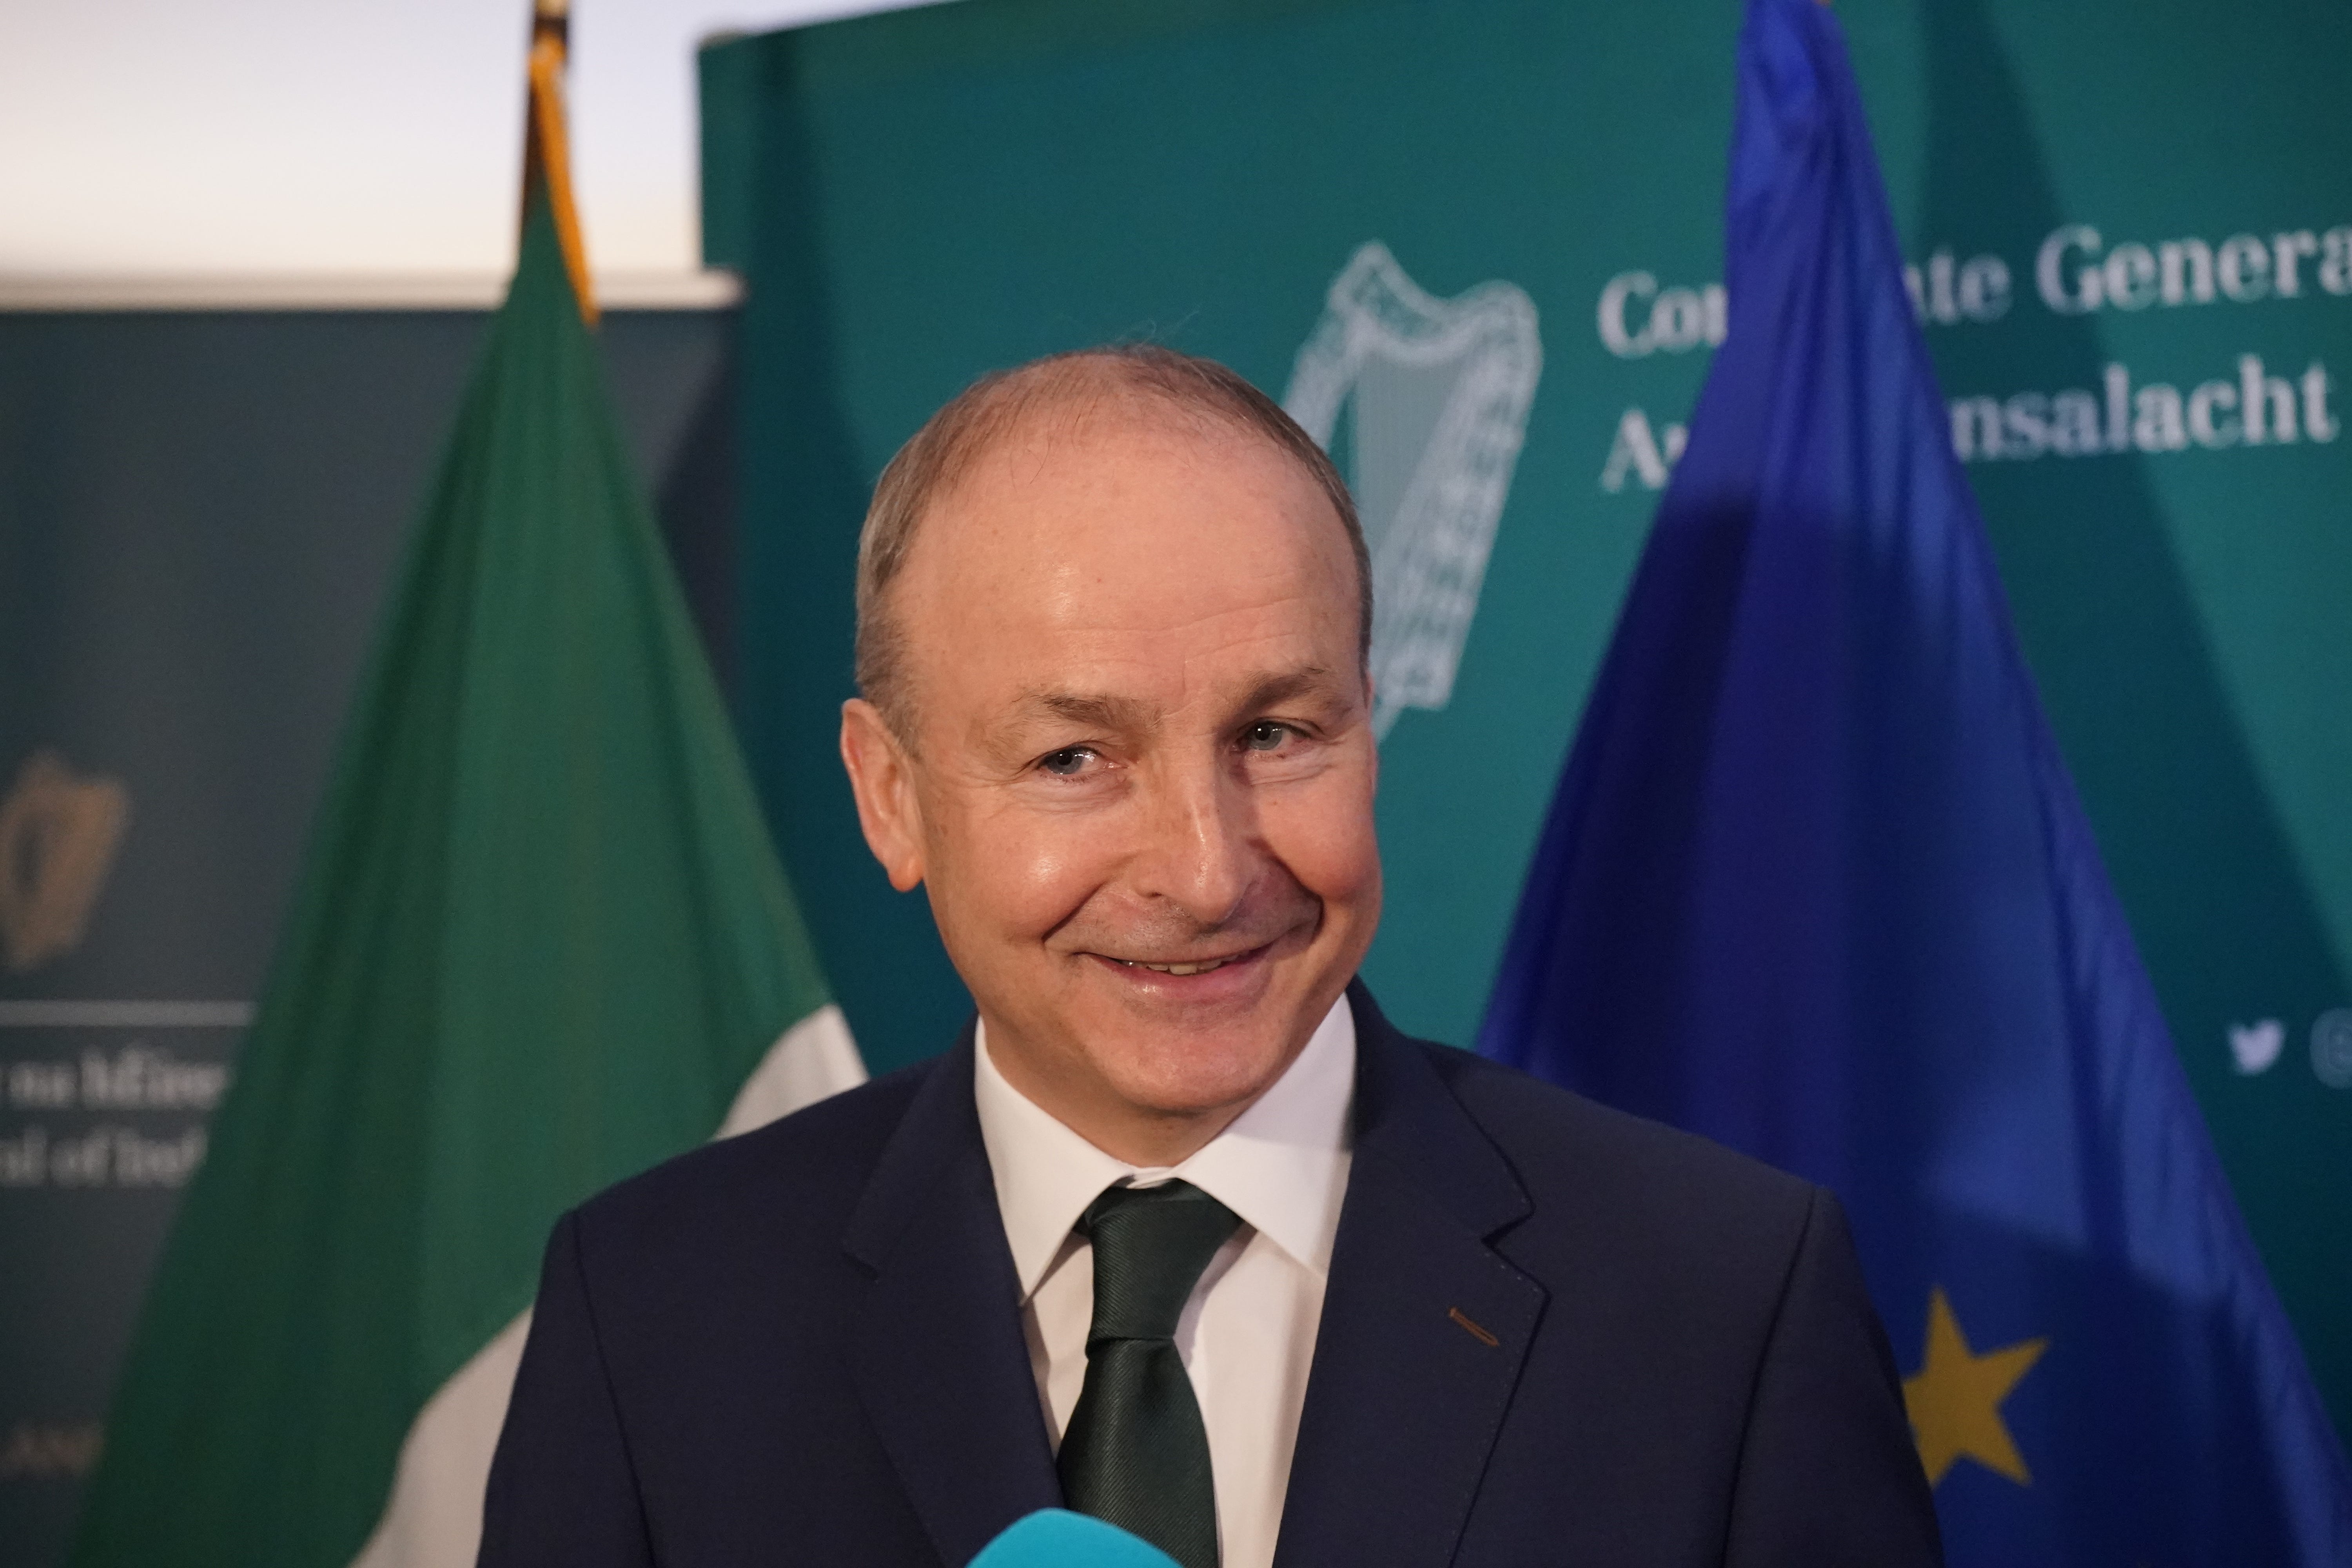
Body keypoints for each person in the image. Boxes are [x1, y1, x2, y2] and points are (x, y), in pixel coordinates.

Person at [478, 346, 1942, 1568]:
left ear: (1370, 723)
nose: (1206, 868)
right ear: (892, 795)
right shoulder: (657, 1313)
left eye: (1278, 735)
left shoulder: (1720, 1300)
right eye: (1074, 757)